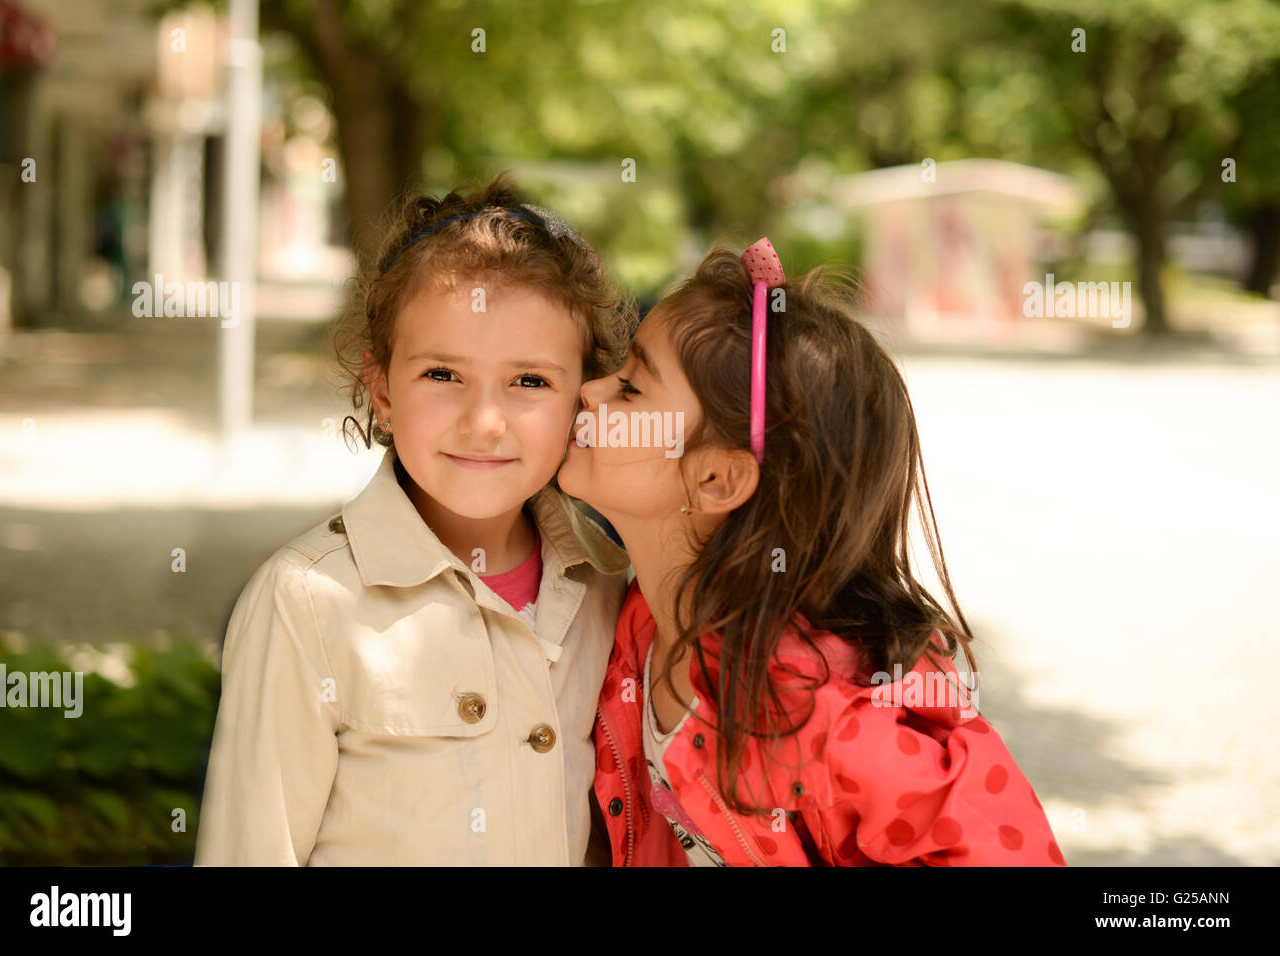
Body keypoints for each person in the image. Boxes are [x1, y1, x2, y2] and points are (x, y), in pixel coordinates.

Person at [559, 239, 1066, 865]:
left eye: (631, 389)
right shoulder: (636, 624)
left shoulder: (818, 705)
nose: (590, 391)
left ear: (718, 480)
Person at [194, 175, 636, 865]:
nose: (484, 422)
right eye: (441, 375)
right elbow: (251, 847)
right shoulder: (307, 603)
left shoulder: (611, 583)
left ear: (583, 400)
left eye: (529, 382)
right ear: (382, 392)